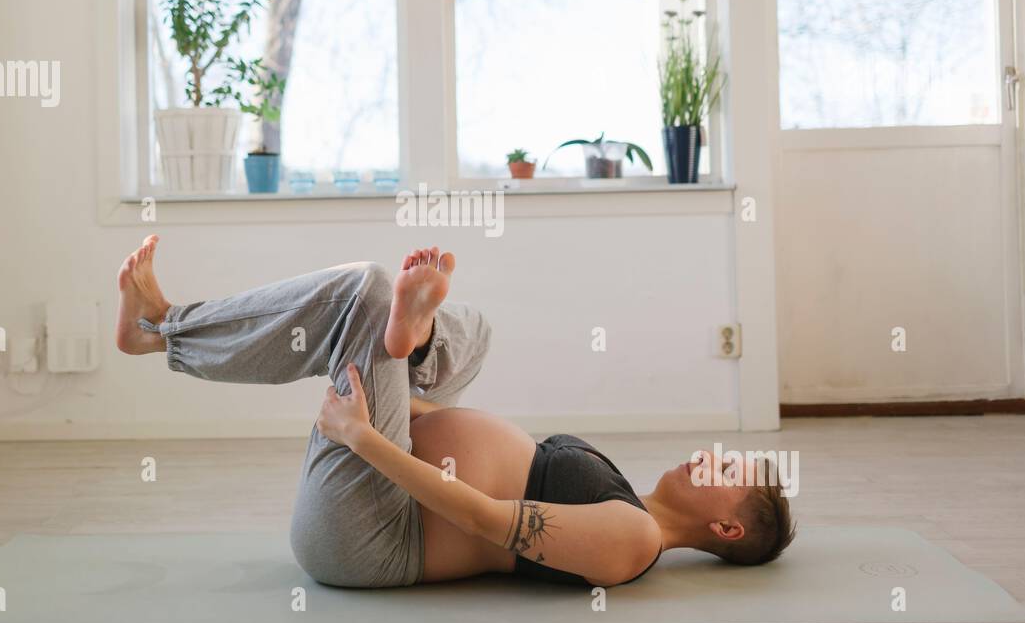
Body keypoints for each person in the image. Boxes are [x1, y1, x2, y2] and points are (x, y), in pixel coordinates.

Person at [116, 236, 794, 588]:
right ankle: (415, 338)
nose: (712, 456)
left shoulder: (635, 542)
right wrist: (401, 389)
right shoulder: (624, 498)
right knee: (472, 337)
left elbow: (480, 516)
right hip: (386, 481)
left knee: (369, 288)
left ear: (728, 526)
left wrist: (362, 436)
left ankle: (163, 328)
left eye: (726, 468)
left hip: (370, 538)